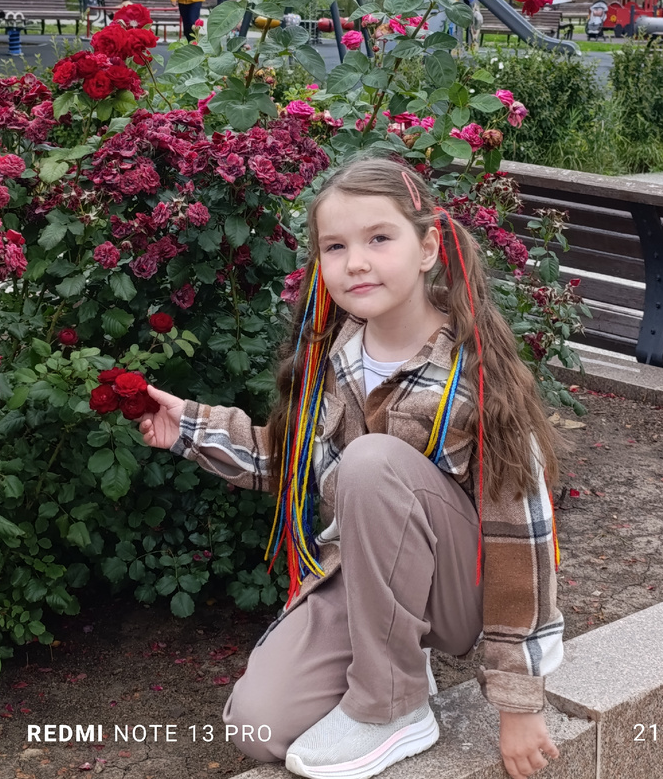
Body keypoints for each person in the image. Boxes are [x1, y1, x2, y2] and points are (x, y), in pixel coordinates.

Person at [139, 158, 563, 779]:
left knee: (371, 464)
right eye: (335, 247)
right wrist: (192, 430)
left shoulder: (478, 378)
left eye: (378, 238)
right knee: (256, 725)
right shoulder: (330, 359)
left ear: (428, 247)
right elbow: (291, 469)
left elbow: (521, 539)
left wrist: (519, 702)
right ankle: (394, 663)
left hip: (456, 593)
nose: (355, 262)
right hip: (362, 575)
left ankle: (392, 707)